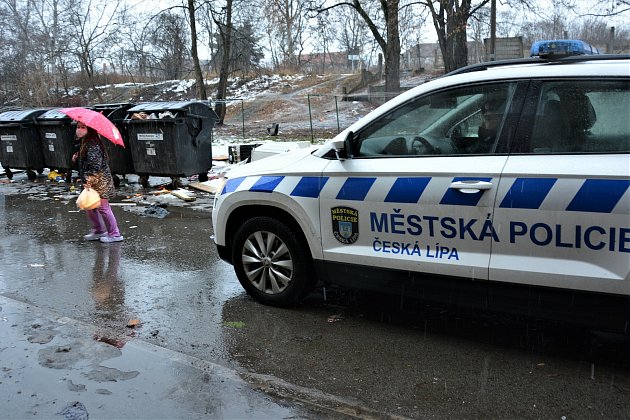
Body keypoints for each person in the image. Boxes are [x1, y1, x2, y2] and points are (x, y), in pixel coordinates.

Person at [73, 122, 123, 243]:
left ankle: (115, 234)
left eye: (83, 127)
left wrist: (89, 180)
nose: (79, 130)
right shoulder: (85, 143)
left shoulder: (93, 145)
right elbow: (88, 161)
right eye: (78, 127)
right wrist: (77, 157)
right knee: (91, 207)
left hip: (99, 180)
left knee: (103, 208)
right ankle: (98, 230)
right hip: (92, 179)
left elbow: (95, 166)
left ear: (89, 130)